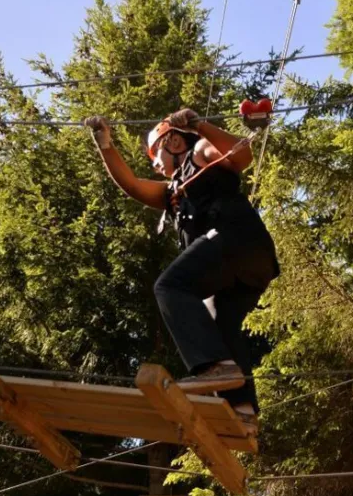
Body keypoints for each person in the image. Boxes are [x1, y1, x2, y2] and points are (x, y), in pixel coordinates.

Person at [84, 109, 279, 421]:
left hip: (234, 239)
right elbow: (132, 186)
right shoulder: (171, 191)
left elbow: (241, 155)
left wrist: (199, 126)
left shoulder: (200, 152)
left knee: (169, 286)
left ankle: (214, 367)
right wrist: (105, 146)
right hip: (248, 263)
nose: (154, 163)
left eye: (155, 153)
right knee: (220, 324)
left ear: (173, 141)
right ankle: (242, 410)